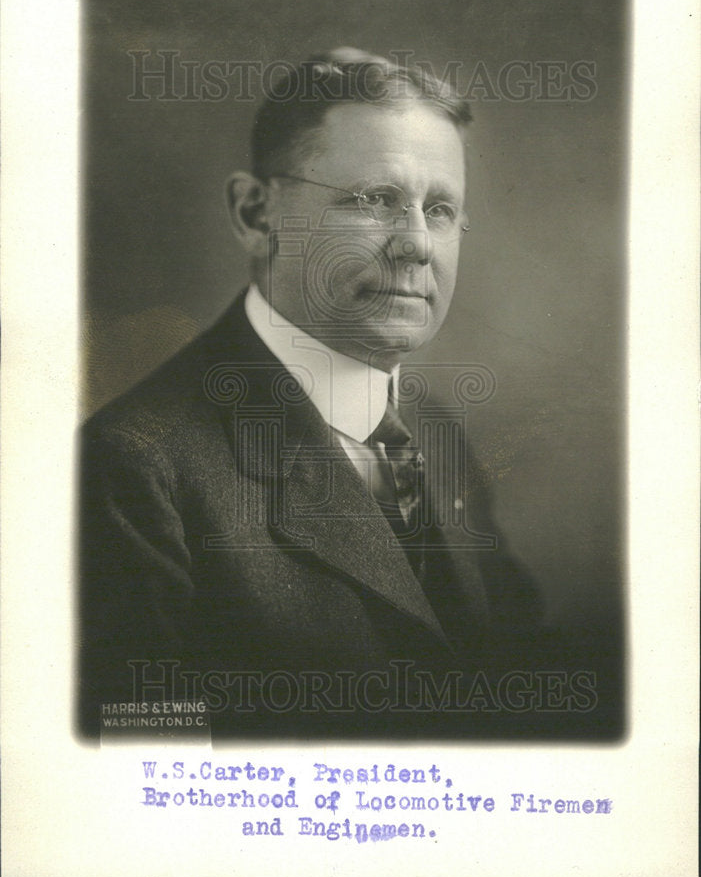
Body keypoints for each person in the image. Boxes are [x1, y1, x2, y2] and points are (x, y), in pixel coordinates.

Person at [79, 48, 541, 738]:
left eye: (439, 209)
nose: (416, 245)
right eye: (374, 201)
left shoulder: (433, 432)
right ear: (255, 213)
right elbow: (144, 795)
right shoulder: (135, 470)